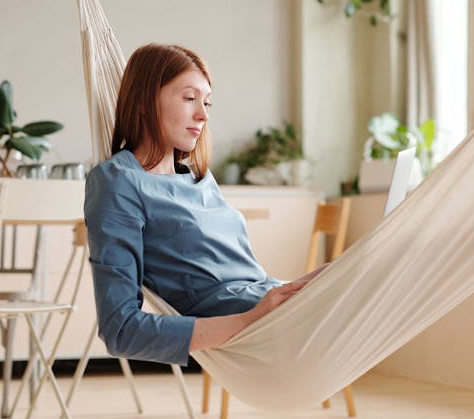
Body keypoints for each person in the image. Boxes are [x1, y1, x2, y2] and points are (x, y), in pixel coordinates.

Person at [84, 43, 312, 367]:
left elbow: (251, 283)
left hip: (271, 299)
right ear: (146, 101)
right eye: (190, 98)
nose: (203, 115)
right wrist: (250, 320)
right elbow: (120, 329)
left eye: (206, 102)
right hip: (260, 321)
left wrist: (300, 287)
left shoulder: (198, 178)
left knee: (369, 262)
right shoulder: (118, 183)